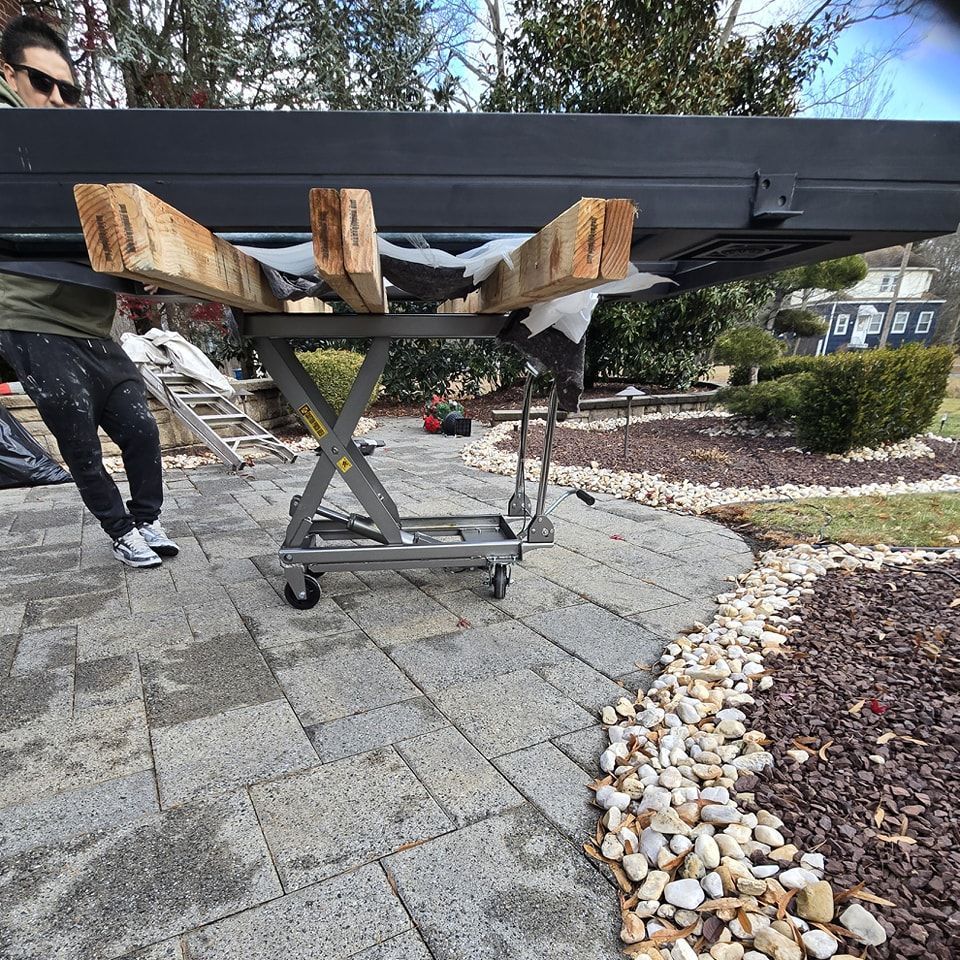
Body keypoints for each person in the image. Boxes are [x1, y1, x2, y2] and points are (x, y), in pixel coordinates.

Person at [0, 15, 178, 568]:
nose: (56, 98)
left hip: (93, 321)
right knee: (78, 437)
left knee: (141, 429)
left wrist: (138, 274)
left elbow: (107, 234)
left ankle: (146, 520)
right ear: (8, 74)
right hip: (30, 314)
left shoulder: (75, 151)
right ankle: (121, 532)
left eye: (69, 90)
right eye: (41, 82)